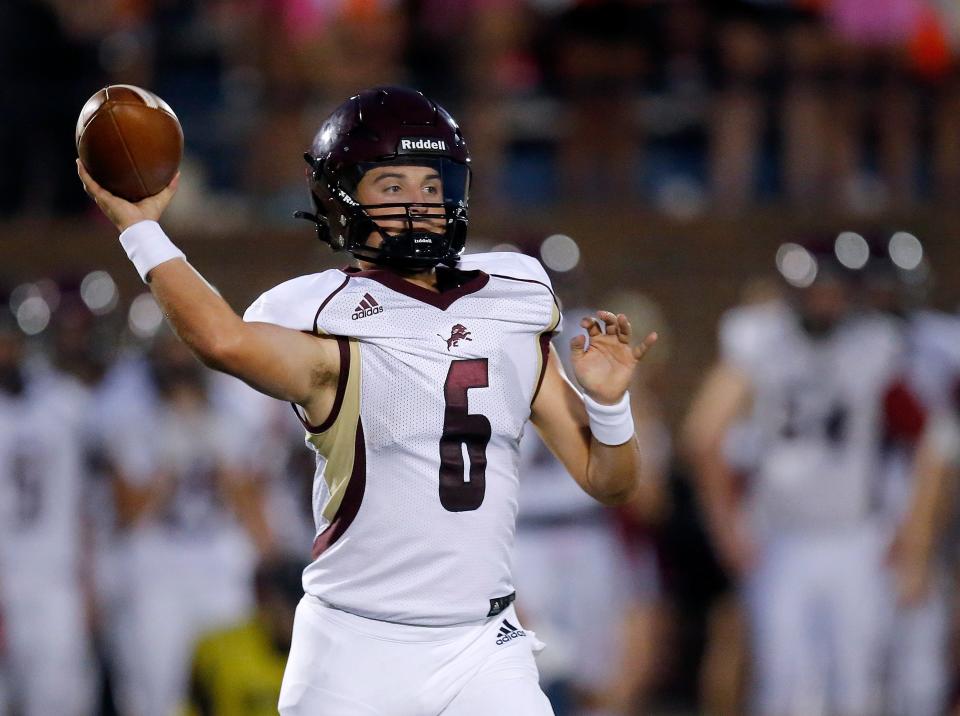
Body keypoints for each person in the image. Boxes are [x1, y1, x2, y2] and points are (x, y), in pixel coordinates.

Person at [77, 85, 656, 715]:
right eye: (392, 186)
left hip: (484, 641)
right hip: (356, 647)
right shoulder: (327, 317)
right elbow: (220, 339)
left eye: (431, 187)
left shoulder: (512, 301)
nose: (419, 205)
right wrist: (141, 231)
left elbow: (610, 480)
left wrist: (608, 406)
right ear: (342, 200)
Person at [684, 235, 941, 716]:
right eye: (816, 288)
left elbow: (930, 441)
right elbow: (703, 434)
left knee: (857, 687)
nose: (826, 299)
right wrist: (727, 528)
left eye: (834, 288)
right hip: (781, 536)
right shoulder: (759, 340)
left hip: (854, 537)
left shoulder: (874, 345)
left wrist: (915, 535)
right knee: (785, 688)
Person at [185, 554, 305, 716]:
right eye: (290, 606)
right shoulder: (219, 650)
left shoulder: (323, 657)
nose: (295, 617)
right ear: (270, 602)